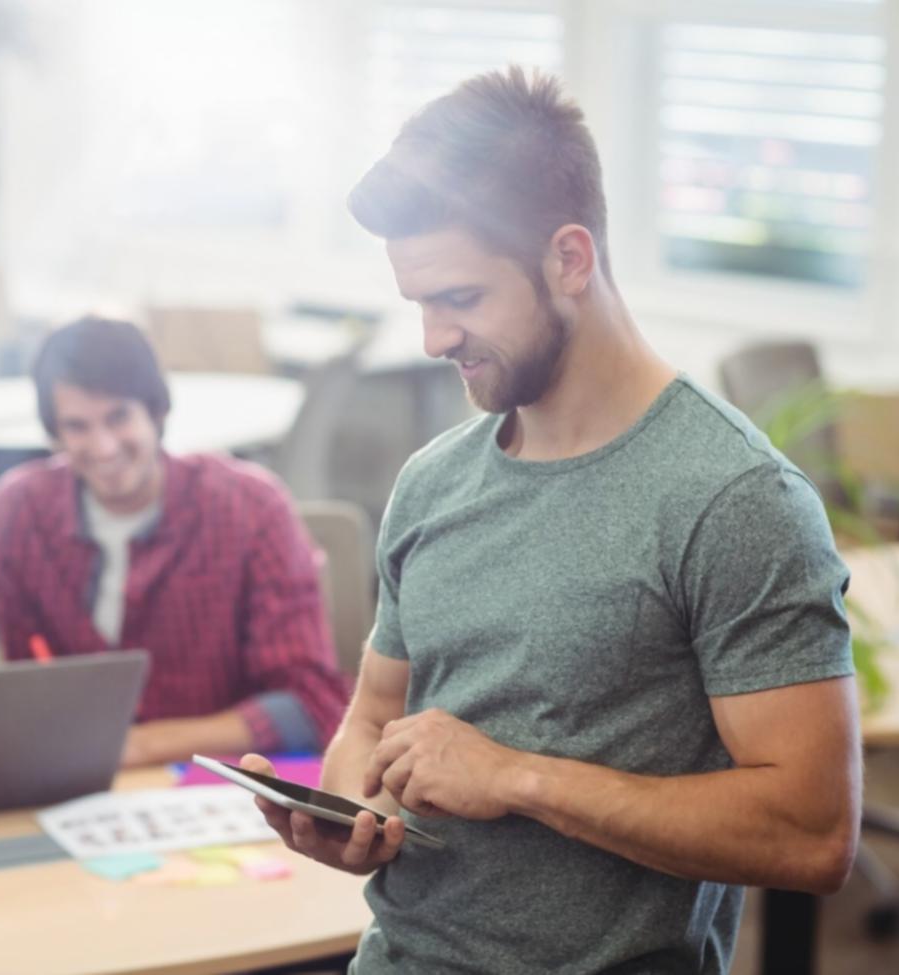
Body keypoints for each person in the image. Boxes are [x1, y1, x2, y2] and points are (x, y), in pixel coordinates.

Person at [244, 66, 859, 974]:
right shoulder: (431, 483)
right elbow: (371, 717)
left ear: (569, 259)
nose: (432, 339)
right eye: (418, 303)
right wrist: (351, 813)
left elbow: (812, 833)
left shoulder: (735, 499)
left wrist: (518, 778)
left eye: (460, 299)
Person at [0, 316, 350, 767]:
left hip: (223, 783)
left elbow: (309, 705)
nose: (102, 447)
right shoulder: (19, 511)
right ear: (54, 434)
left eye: (118, 417)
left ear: (156, 411)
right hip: (77, 784)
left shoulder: (252, 506)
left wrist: (142, 745)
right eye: (77, 427)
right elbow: (22, 689)